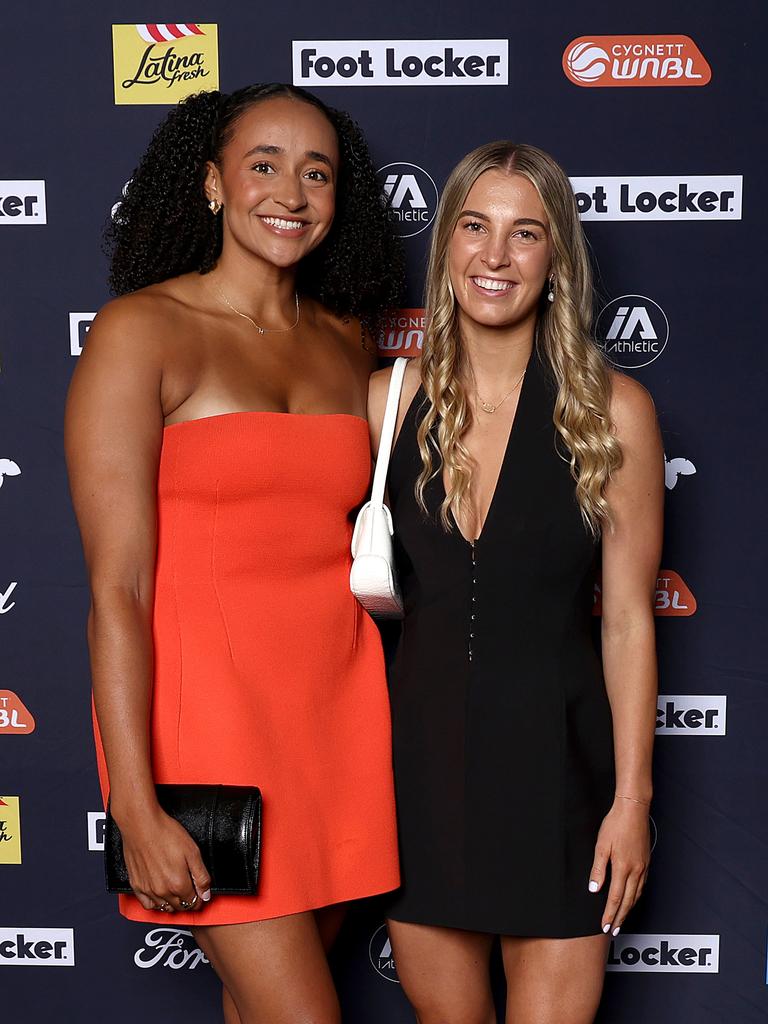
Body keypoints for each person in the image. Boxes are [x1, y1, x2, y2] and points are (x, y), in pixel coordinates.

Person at [65, 83, 403, 1024]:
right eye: (263, 166)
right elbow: (118, 588)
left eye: (316, 172)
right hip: (208, 733)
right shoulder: (140, 333)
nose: (290, 192)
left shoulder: (347, 346)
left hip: (335, 721)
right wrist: (133, 803)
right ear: (212, 184)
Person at [368, 142, 663, 1024]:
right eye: (474, 226)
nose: (494, 257)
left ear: (556, 257)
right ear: (446, 243)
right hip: (419, 782)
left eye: (524, 233)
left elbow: (628, 625)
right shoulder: (387, 400)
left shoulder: (614, 412)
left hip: (562, 782)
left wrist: (632, 802)